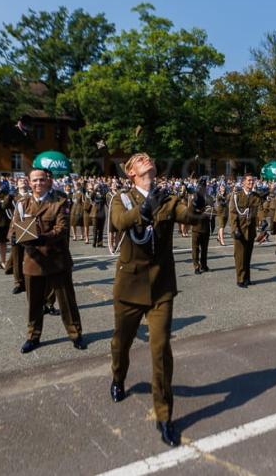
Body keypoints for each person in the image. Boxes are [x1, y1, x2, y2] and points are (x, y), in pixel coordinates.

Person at [108, 152, 205, 447]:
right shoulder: (120, 198)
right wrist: (145, 210)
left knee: (161, 350)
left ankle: (164, 416)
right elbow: (119, 222)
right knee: (120, 342)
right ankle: (117, 377)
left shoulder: (166, 197)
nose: (146, 159)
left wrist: (199, 201)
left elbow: (188, 216)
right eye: (139, 159)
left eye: (148, 157)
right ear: (131, 174)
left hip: (161, 287)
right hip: (130, 286)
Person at [11, 168, 85, 353]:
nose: (38, 183)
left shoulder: (59, 202)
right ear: (29, 181)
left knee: (67, 301)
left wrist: (42, 238)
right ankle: (33, 336)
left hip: (56, 259)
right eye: (34, 180)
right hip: (33, 260)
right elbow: (13, 228)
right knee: (34, 303)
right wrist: (13, 237)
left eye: (41, 180)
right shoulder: (22, 204)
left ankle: (75, 334)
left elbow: (62, 228)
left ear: (47, 181)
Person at [229, 174, 266, 288]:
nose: (251, 182)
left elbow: (260, 209)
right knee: (240, 256)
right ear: (243, 182)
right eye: (249, 180)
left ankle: (247, 278)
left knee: (248, 256)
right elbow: (233, 213)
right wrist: (235, 229)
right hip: (240, 229)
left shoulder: (256, 196)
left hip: (250, 230)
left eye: (252, 181)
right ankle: (240, 279)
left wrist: (263, 219)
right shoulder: (237, 196)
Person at [190, 179, 213, 274]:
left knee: (204, 248)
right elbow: (191, 211)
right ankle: (196, 266)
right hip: (196, 227)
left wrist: (212, 225)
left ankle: (204, 265)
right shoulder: (195, 197)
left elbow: (212, 211)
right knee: (195, 248)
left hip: (206, 226)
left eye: (204, 186)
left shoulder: (209, 198)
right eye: (201, 186)